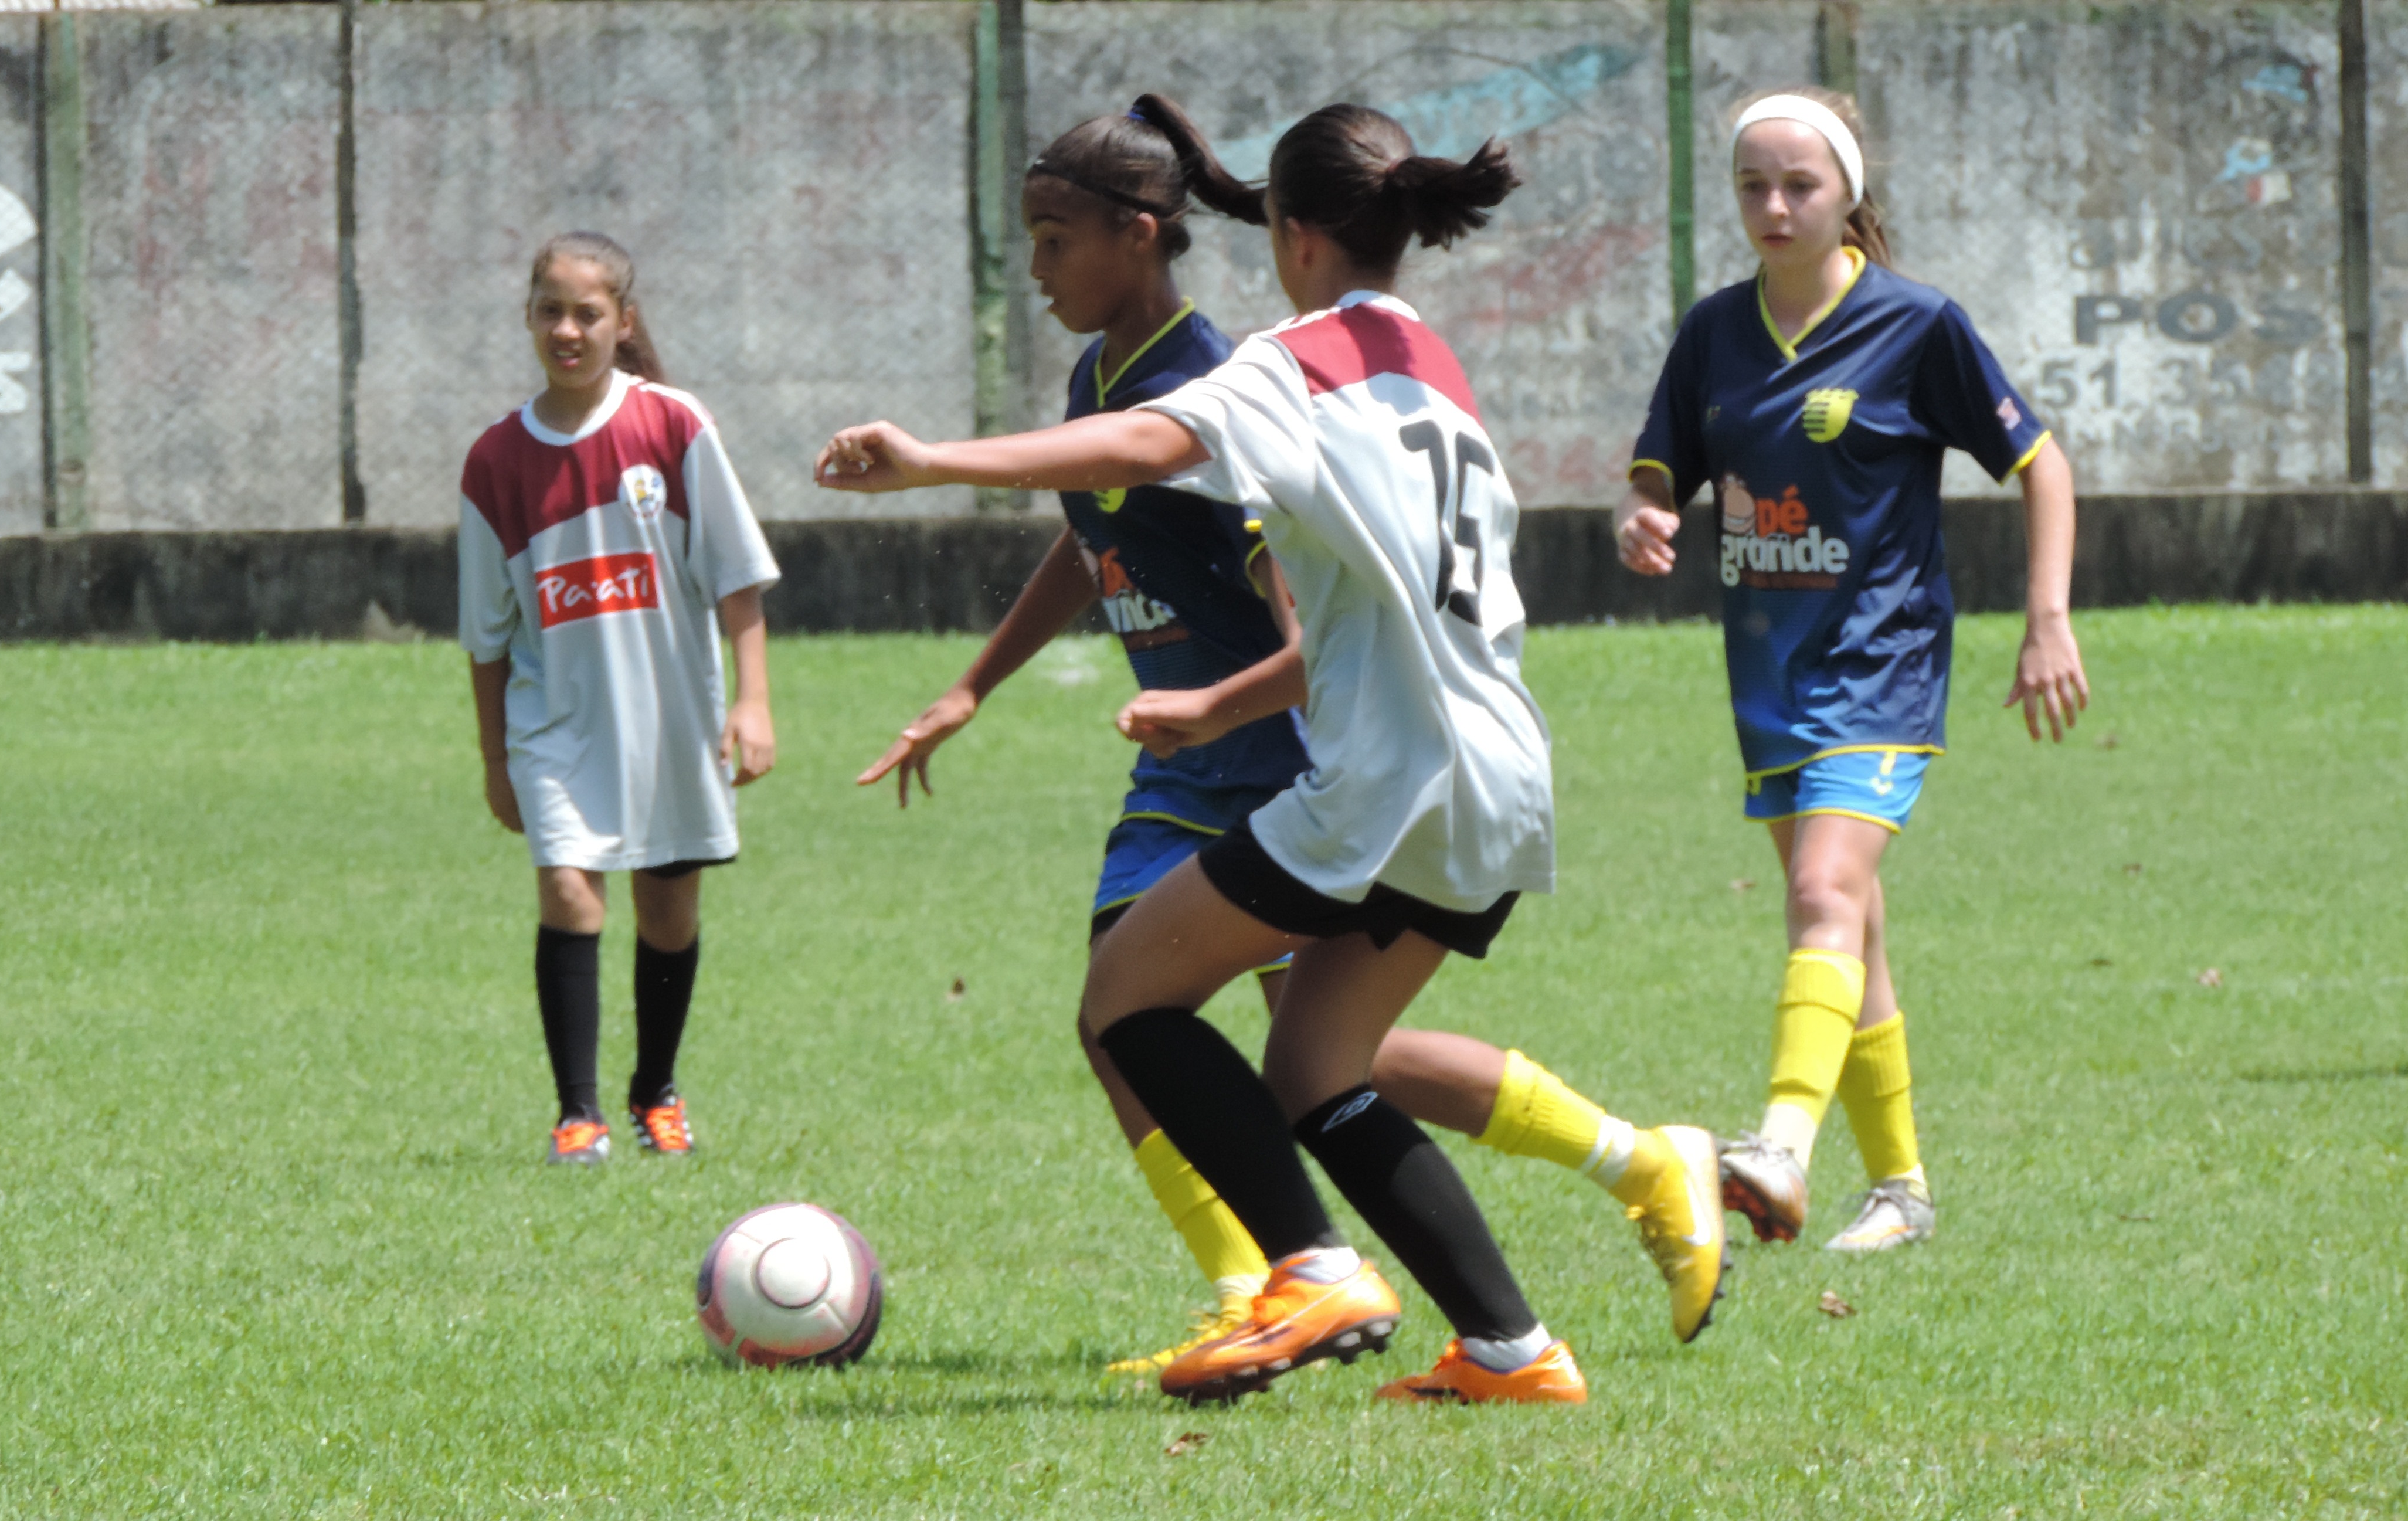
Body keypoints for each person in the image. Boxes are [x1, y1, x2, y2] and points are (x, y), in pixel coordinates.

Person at [818, 99, 1726, 1407]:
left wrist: (931, 461)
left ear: (1292, 236)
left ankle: (1307, 1266)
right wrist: (1208, 708)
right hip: (1502, 773)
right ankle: (1514, 1350)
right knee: (1316, 1065)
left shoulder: (1288, 361)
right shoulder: (1428, 359)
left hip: (1383, 781)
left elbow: (1150, 442)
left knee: (1123, 1000)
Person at [1612, 89, 2090, 1252]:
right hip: (1770, 676)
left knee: (1822, 894)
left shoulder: (1917, 327)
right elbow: (1658, 470)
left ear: (1849, 196)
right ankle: (1905, 1192)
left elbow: (2041, 463)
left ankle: (1779, 1144)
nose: (1773, 208)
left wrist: (2048, 617)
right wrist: (1644, 514)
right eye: (1752, 187)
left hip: (1883, 663)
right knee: (1854, 924)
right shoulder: (1713, 333)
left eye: (1800, 186)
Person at [460, 232, 782, 1166]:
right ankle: (578, 1114)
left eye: (588, 313)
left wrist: (752, 702)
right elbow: (486, 637)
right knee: (569, 891)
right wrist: (494, 759)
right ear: (529, 319)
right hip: (554, 726)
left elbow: (737, 578)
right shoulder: (495, 462)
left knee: (668, 911)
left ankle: (655, 1092)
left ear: (622, 322)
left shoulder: (673, 426)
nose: (568, 329)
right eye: (551, 311)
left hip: (669, 720)